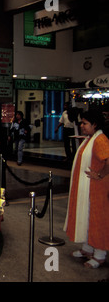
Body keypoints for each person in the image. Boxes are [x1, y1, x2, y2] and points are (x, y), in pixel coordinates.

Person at [64, 109, 109, 269]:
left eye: (85, 123)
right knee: (87, 217)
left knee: (97, 221)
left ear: (95, 124)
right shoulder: (90, 139)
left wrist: (100, 174)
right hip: (87, 190)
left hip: (97, 190)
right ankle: (88, 249)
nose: (81, 126)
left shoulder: (100, 140)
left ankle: (99, 255)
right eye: (81, 122)